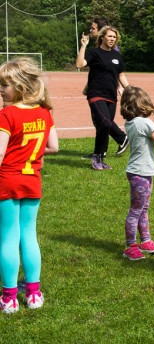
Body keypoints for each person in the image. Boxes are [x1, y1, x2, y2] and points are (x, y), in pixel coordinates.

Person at [0, 58, 59, 314]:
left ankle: (9, 297)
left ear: (21, 85)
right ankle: (34, 293)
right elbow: (54, 147)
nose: (1, 90)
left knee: (8, 237)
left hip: (8, 181)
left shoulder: (6, 114)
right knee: (29, 234)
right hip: (32, 180)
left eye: (5, 85)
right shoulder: (44, 113)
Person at [120, 86, 154, 261]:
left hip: (139, 171)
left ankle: (145, 240)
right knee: (136, 210)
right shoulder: (145, 123)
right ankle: (130, 245)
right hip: (141, 172)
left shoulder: (131, 122)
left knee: (142, 208)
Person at [76, 25, 130, 170]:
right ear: (102, 37)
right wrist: (83, 46)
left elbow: (121, 75)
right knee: (105, 123)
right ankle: (99, 155)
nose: (112, 39)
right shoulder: (94, 52)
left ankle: (99, 157)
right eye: (109, 36)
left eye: (114, 37)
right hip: (96, 94)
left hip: (111, 96)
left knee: (103, 127)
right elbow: (80, 64)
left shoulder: (117, 56)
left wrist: (130, 90)